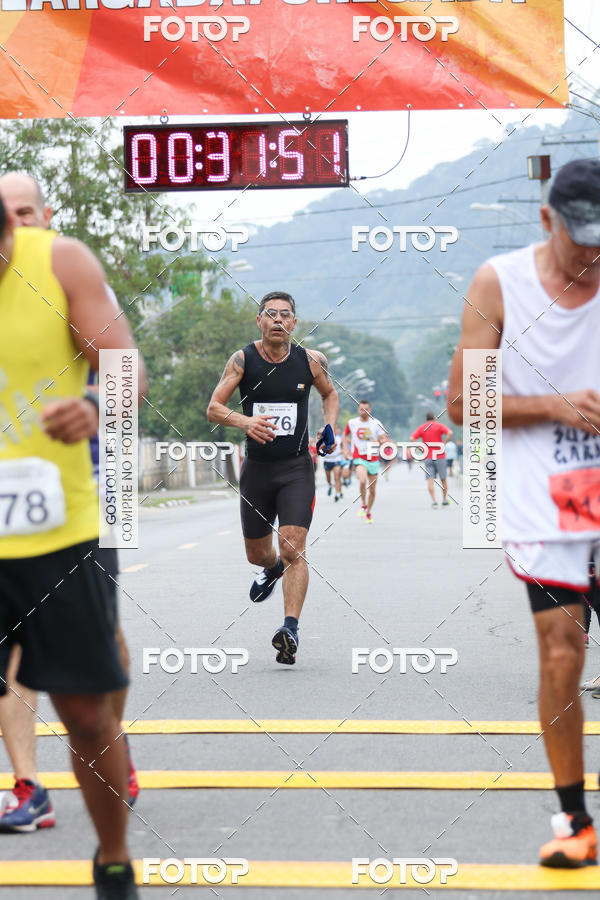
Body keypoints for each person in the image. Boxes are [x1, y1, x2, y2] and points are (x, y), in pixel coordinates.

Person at [448, 158, 600, 868]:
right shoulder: (498, 282)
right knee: (562, 653)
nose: (594, 253)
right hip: (550, 501)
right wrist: (556, 405)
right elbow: (461, 405)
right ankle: (576, 822)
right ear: (547, 221)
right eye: (582, 238)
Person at [0, 191, 146, 897]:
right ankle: (30, 786)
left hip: (58, 531)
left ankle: (112, 858)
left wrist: (92, 407)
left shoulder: (60, 263)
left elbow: (126, 366)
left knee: (86, 713)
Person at [207, 291, 338, 665]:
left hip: (297, 468)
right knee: (259, 553)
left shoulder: (311, 361)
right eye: (271, 314)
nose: (278, 320)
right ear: (260, 321)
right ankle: (270, 568)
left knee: (293, 547)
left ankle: (289, 629)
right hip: (257, 470)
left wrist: (330, 427)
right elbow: (214, 408)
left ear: (295, 323)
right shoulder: (242, 360)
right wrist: (245, 421)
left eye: (286, 315)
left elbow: (330, 395)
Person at [342, 400, 389, 524]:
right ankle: (363, 504)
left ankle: (368, 512)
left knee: (372, 490)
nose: (364, 412)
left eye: (366, 409)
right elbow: (345, 435)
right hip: (359, 457)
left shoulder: (376, 423)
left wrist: (378, 442)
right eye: (362, 409)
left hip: (373, 459)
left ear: (370, 410)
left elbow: (384, 438)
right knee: (362, 480)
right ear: (358, 410)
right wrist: (346, 448)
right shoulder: (352, 423)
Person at [411, 411, 453, 507]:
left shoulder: (422, 428)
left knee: (430, 479)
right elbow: (450, 433)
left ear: (426, 419)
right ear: (434, 418)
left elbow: (412, 438)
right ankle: (444, 500)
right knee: (443, 479)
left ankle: (434, 501)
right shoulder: (439, 426)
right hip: (440, 456)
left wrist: (421, 449)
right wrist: (444, 444)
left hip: (428, 457)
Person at [324, 425, 344, 500]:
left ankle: (337, 493)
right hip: (327, 460)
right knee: (328, 478)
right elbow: (319, 447)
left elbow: (343, 446)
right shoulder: (324, 438)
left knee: (336, 477)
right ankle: (330, 485)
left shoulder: (339, 438)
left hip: (336, 460)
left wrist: (343, 451)